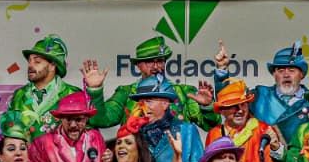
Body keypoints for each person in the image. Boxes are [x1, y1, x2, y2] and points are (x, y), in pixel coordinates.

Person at [79, 35, 218, 129]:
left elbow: (210, 125)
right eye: (150, 62)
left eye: (161, 61)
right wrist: (95, 91)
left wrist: (207, 107)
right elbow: (101, 120)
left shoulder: (183, 92)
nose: (157, 67)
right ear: (138, 65)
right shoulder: (126, 93)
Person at [215, 40, 309, 146]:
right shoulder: (259, 96)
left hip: (301, 160)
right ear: (274, 74)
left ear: (302, 74)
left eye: (291, 70)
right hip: (263, 159)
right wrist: (222, 70)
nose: (286, 75)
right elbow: (227, 100)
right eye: (280, 70)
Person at [203, 79, 284, 162]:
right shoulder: (214, 134)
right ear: (222, 111)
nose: (240, 110)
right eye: (234, 106)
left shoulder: (263, 130)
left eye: (243, 104)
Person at [3, 34, 82, 139]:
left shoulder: (72, 94)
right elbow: (9, 133)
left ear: (52, 65)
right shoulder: (19, 95)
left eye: (37, 61)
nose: (30, 65)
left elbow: (86, 134)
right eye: (29, 61)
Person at [125, 75, 206, 162]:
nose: (143, 107)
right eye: (141, 102)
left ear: (165, 103)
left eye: (149, 101)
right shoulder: (133, 135)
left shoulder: (187, 131)